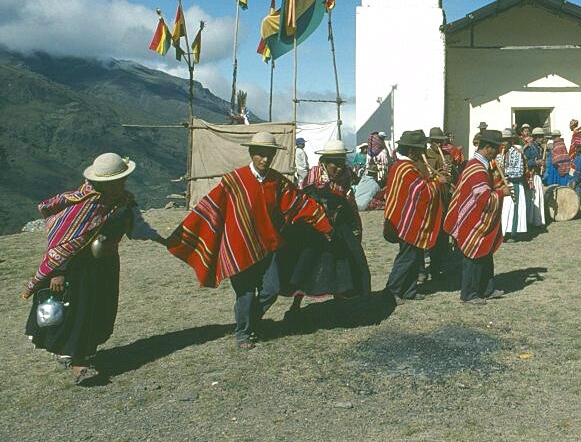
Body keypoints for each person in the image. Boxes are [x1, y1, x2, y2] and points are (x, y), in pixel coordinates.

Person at [164, 132, 334, 349]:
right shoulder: (234, 181)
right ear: (252, 154)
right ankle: (243, 334)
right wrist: (185, 235)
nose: (265, 159)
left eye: (269, 155)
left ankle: (251, 321)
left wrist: (324, 225)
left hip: (267, 245)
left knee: (271, 289)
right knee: (244, 293)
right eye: (261, 154)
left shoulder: (276, 181)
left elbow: (298, 203)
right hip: (240, 247)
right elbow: (211, 208)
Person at [24, 152, 163, 385]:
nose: (122, 185)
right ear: (102, 183)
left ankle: (82, 352)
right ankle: (79, 363)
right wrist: (58, 271)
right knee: (80, 311)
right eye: (117, 182)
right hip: (78, 269)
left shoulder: (123, 202)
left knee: (100, 307)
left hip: (105, 265)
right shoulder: (83, 205)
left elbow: (138, 227)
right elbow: (60, 241)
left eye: (122, 181)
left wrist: (162, 239)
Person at [278, 136, 372, 318]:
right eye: (334, 164)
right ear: (325, 162)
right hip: (314, 226)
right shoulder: (313, 175)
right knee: (307, 262)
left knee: (347, 259)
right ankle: (296, 302)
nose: (338, 168)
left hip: (340, 224)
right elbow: (305, 201)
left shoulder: (346, 173)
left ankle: (344, 298)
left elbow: (349, 199)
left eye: (341, 163)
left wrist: (351, 222)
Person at [445, 129, 511, 304]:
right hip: (473, 221)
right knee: (474, 256)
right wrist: (501, 192)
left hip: (477, 219)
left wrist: (496, 185)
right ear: (488, 148)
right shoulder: (477, 169)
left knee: (485, 253)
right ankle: (469, 293)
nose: (498, 152)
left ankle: (486, 288)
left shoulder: (479, 166)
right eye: (497, 149)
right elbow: (484, 199)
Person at [383, 130, 444, 304]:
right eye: (419, 150)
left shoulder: (400, 167)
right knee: (406, 257)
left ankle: (409, 289)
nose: (422, 153)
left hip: (405, 219)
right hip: (407, 222)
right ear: (411, 152)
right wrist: (437, 182)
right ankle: (392, 290)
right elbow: (421, 192)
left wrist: (431, 179)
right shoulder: (406, 168)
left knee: (415, 256)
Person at [424, 127, 455, 283]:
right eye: (436, 141)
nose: (438, 144)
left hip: (445, 198)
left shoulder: (448, 155)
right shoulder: (426, 155)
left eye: (440, 141)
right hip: (433, 200)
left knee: (444, 235)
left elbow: (454, 175)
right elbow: (426, 177)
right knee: (432, 235)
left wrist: (450, 172)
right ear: (431, 142)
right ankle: (427, 270)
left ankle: (439, 267)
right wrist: (439, 172)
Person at [499, 129, 528, 239]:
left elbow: (520, 171)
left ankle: (513, 233)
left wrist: (505, 172)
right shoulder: (499, 153)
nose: (503, 143)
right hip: (502, 185)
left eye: (505, 141)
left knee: (513, 209)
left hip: (514, 184)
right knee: (503, 209)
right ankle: (503, 232)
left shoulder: (516, 153)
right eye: (502, 141)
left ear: (510, 141)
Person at [523, 127, 547, 228]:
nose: (542, 139)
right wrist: (536, 162)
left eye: (542, 136)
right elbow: (525, 162)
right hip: (531, 176)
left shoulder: (538, 147)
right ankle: (530, 221)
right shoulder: (529, 147)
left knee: (538, 198)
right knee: (532, 199)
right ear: (536, 137)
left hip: (537, 175)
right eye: (540, 137)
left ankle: (537, 220)